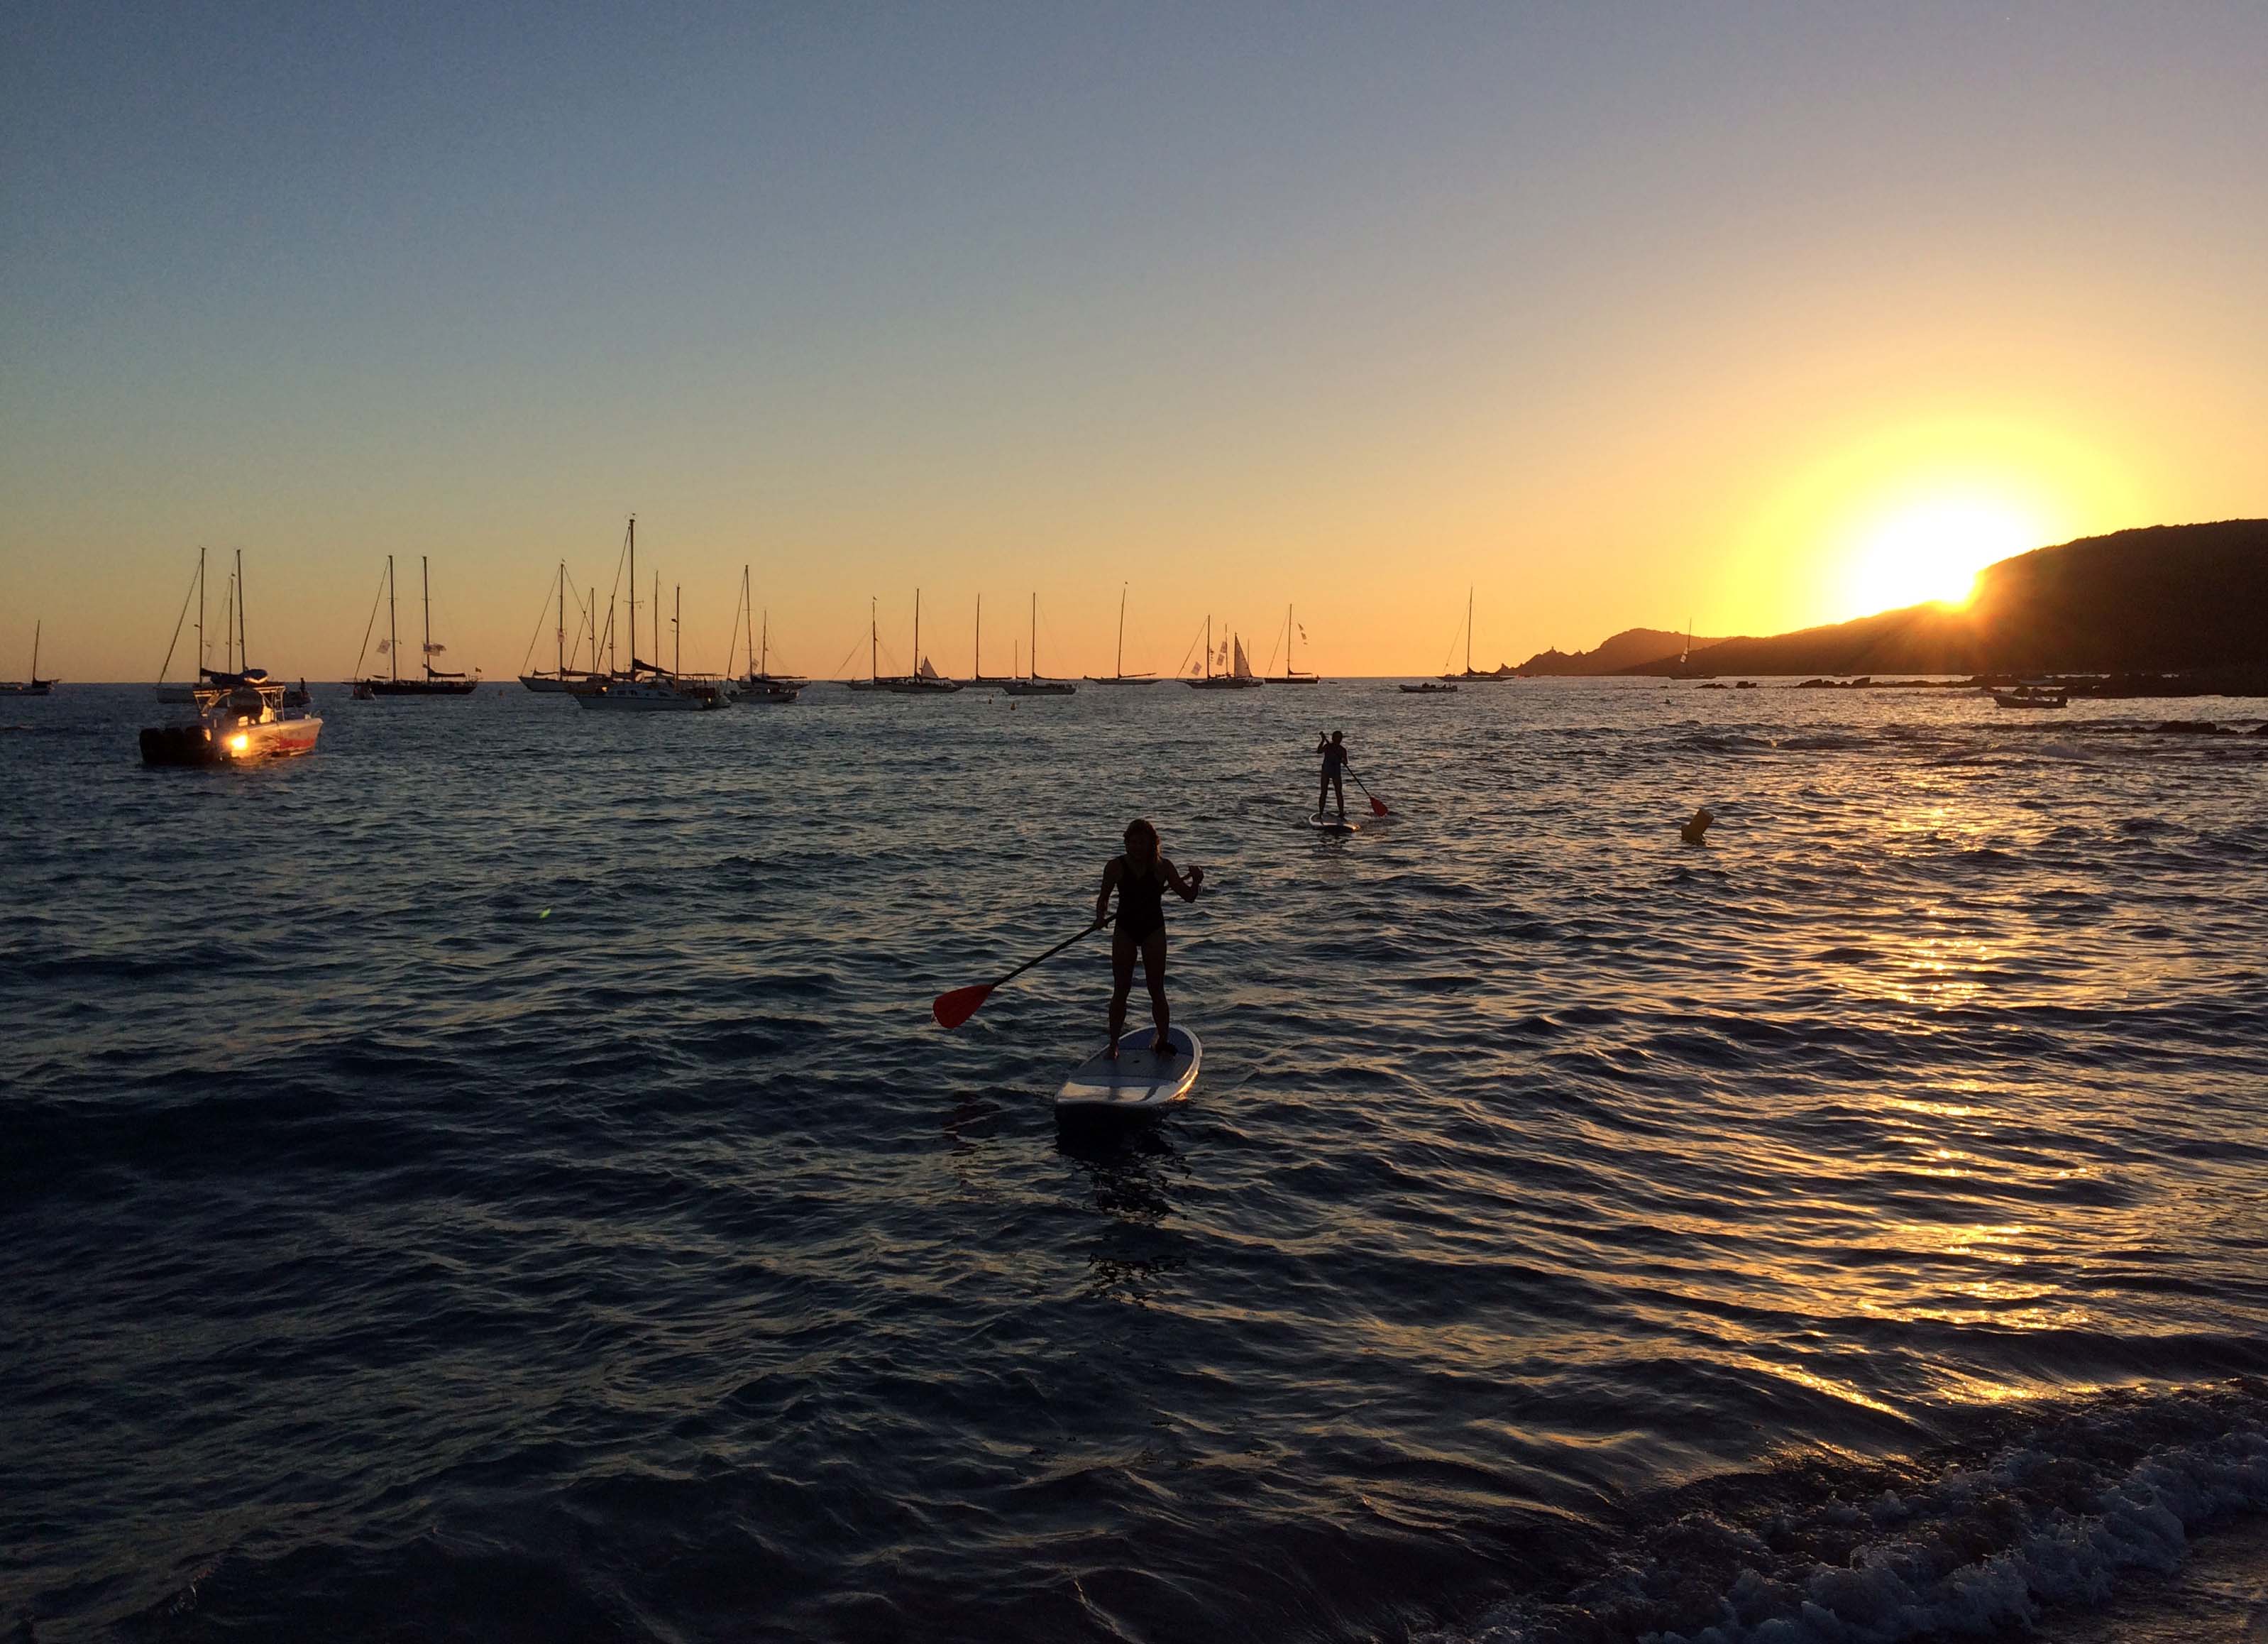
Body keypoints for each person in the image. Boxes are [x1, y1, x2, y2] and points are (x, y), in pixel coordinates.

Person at [1092, 818, 1204, 1058]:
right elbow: (1103, 898)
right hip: (1125, 929)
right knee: (1121, 989)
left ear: (1152, 844)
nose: (1135, 848)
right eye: (1131, 843)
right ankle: (1113, 1045)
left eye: (1141, 843)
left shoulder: (1164, 867)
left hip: (1153, 929)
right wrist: (1100, 916)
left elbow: (1189, 897)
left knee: (1157, 989)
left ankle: (1162, 1040)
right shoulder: (1115, 867)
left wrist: (1196, 881)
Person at [1316, 730, 1349, 820]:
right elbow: (1319, 751)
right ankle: (1321, 813)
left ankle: (1341, 813)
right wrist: (1322, 740)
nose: (1339, 739)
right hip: (1326, 771)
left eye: (1340, 737)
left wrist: (1343, 761)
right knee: (1324, 792)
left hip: (1336, 772)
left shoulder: (1342, 750)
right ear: (1333, 738)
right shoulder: (1328, 746)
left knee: (1339, 793)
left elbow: (1346, 762)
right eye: (1337, 737)